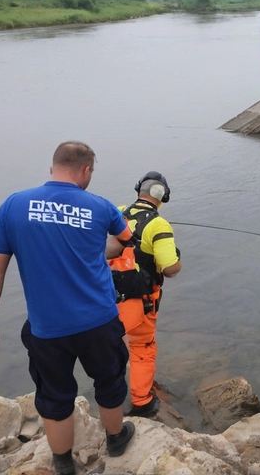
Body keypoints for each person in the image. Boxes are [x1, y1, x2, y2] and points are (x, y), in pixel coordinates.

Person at [0, 141, 136, 475]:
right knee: (110, 380)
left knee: (55, 393)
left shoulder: (13, 206)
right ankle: (116, 437)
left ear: (53, 168)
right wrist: (96, 247)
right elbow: (125, 239)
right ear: (86, 170)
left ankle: (63, 462)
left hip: (46, 328)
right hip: (99, 321)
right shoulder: (101, 206)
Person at [107, 171, 182, 418]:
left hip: (107, 297)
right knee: (142, 348)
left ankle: (109, 401)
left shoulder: (117, 212)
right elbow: (170, 269)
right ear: (162, 196)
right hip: (141, 302)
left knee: (110, 349)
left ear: (139, 190)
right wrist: (177, 256)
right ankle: (142, 401)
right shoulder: (158, 224)